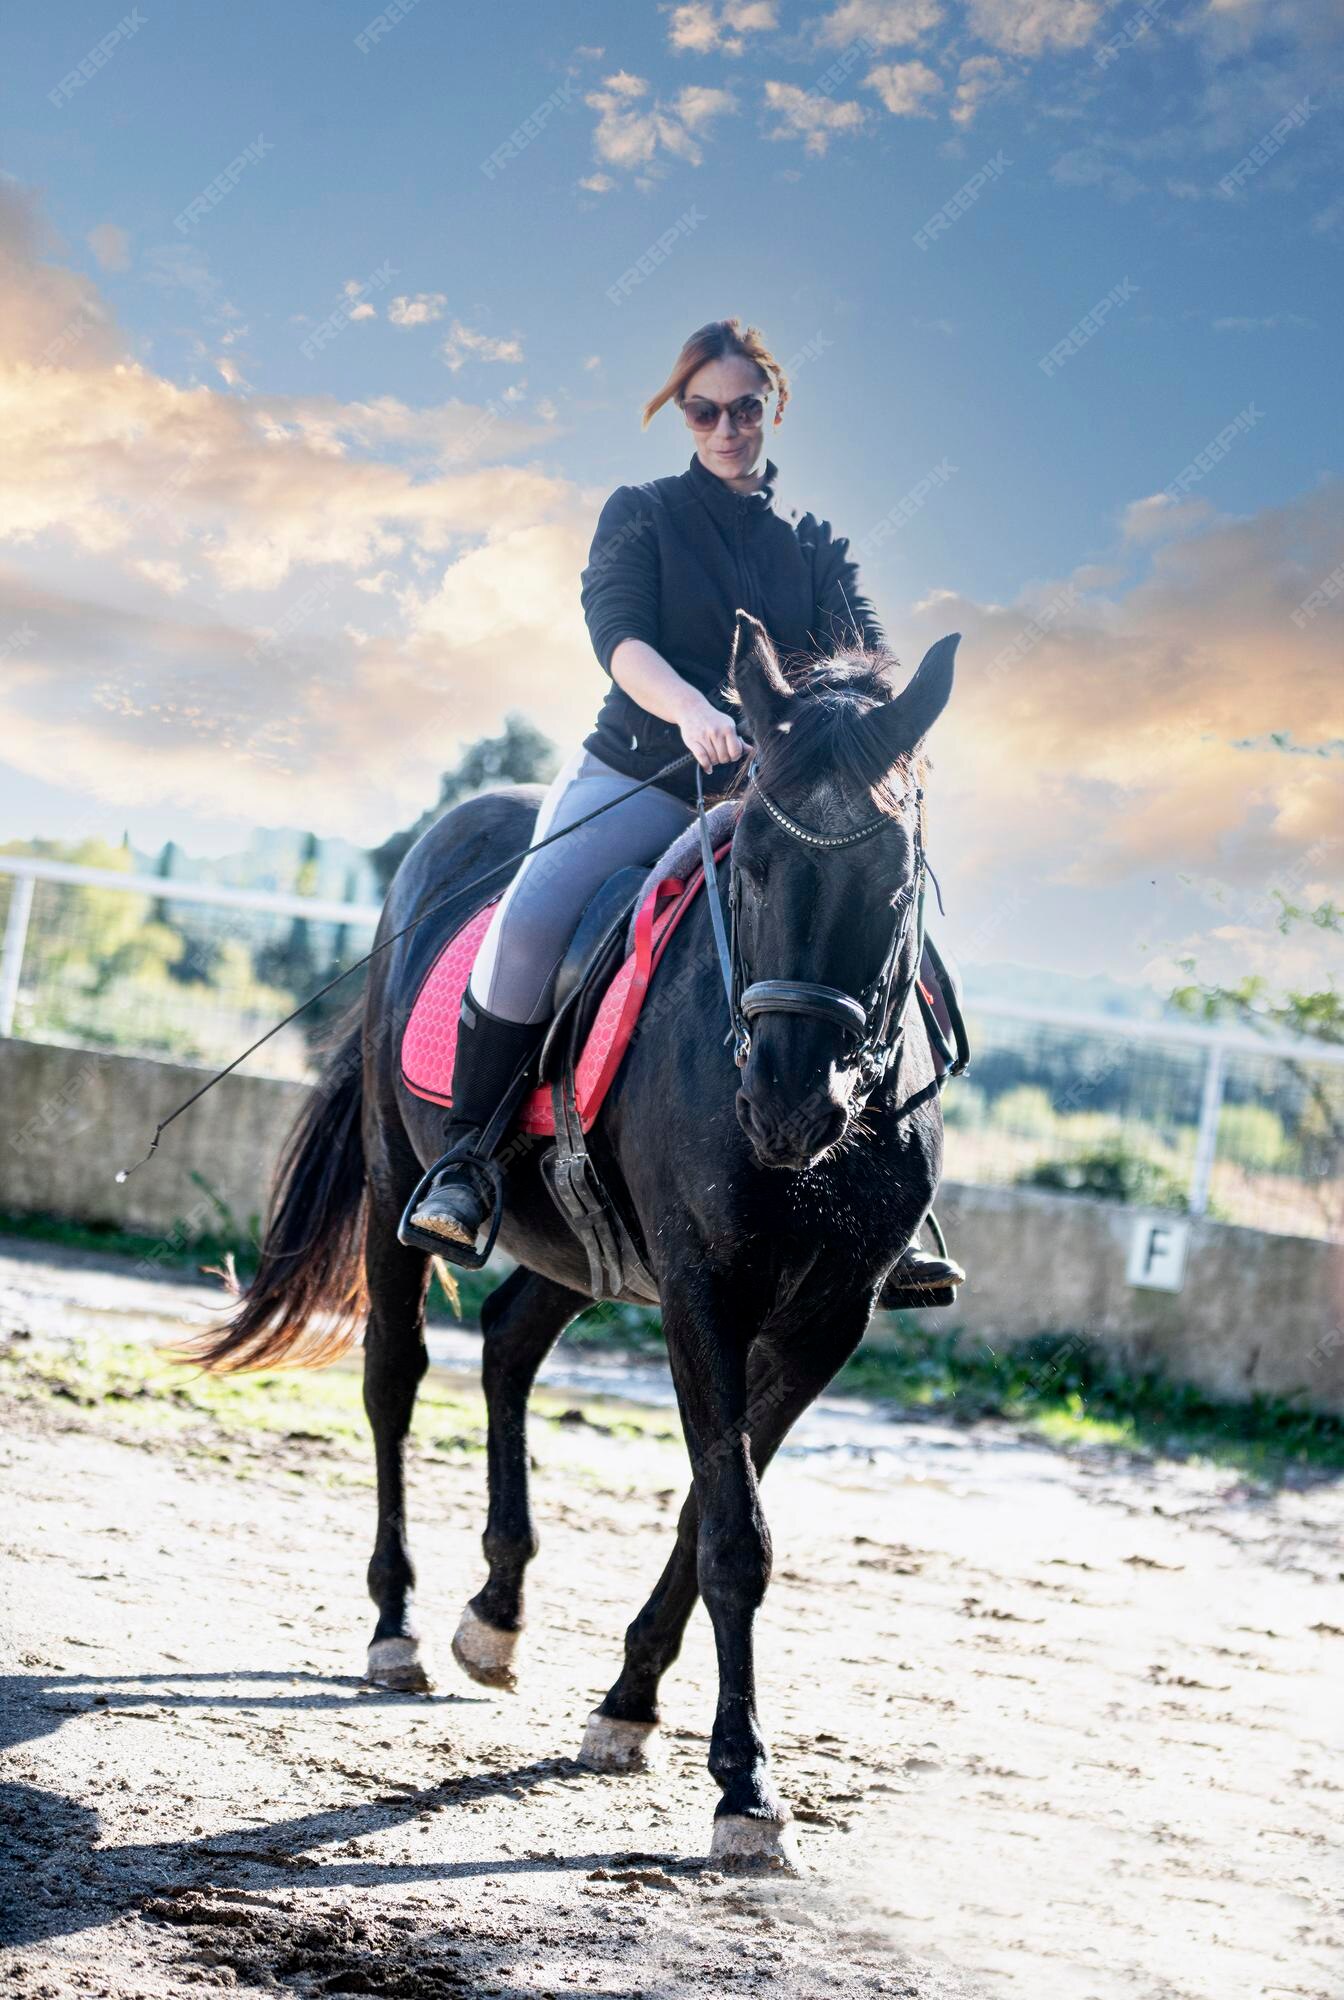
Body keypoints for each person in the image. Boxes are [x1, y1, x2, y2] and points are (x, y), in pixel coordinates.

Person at [399, 317, 963, 1303]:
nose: (727, 426)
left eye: (746, 407)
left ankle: (891, 1206)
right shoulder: (645, 514)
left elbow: (871, 679)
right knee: (533, 918)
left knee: (881, 936)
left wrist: (853, 753)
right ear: (683, 414)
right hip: (638, 773)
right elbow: (618, 638)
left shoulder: (814, 551)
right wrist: (695, 709)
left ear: (772, 407)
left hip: (767, 804)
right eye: (705, 409)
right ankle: (468, 1161)